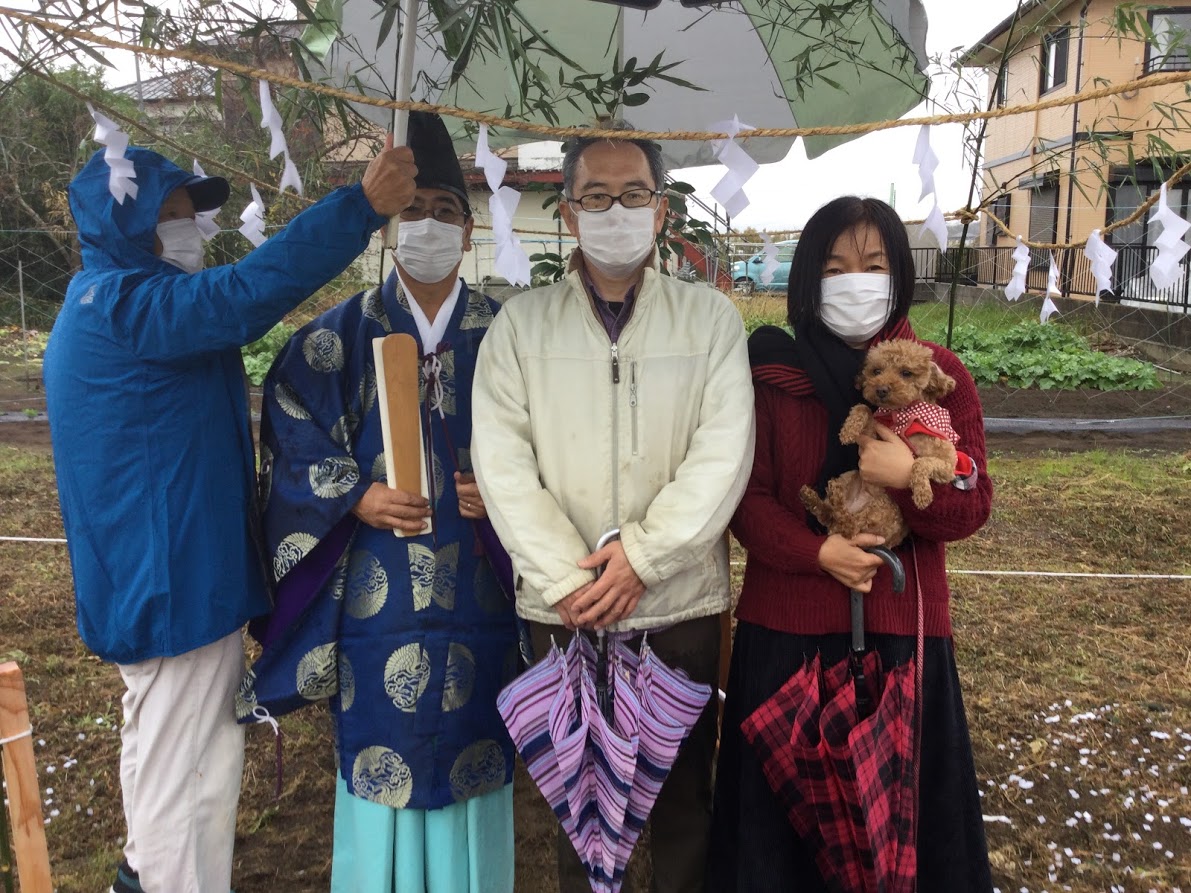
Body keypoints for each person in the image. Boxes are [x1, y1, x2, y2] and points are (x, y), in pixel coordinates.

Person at [42, 139, 417, 893]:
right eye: (171, 216)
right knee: (196, 771)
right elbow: (243, 295)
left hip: (155, 574)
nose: (190, 232)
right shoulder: (127, 305)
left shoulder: (109, 305)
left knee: (158, 741)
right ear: (128, 227)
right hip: (175, 580)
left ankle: (141, 871)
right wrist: (359, 207)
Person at [239, 111, 518, 893]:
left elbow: (551, 445)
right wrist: (353, 493)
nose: (429, 225)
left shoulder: (509, 336)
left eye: (447, 213)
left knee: (474, 737)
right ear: (391, 226)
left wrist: (505, 493)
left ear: (468, 236)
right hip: (373, 591)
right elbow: (291, 435)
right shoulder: (331, 338)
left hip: (480, 585)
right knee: (379, 743)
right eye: (415, 209)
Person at [471, 133, 755, 893]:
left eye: (633, 193)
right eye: (595, 195)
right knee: (580, 806)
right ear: (567, 213)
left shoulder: (710, 322)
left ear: (662, 210)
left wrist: (643, 557)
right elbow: (502, 463)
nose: (615, 210)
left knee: (682, 800)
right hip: (565, 609)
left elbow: (722, 454)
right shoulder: (520, 328)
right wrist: (569, 577)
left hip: (679, 602)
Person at [708, 196, 994, 892]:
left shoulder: (936, 376)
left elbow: (972, 502)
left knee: (896, 836)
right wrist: (817, 554)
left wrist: (904, 478)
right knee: (781, 840)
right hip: (786, 633)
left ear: (897, 273)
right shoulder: (770, 373)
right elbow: (744, 500)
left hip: (902, 634)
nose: (854, 280)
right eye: (834, 267)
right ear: (807, 278)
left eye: (871, 264)